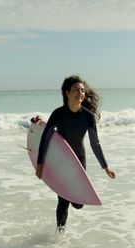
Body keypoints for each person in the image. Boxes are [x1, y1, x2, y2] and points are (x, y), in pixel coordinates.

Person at [35, 75, 116, 232]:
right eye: (76, 90)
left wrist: (105, 167)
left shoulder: (87, 116)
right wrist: (40, 165)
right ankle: (60, 234)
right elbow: (45, 139)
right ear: (67, 93)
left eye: (82, 90)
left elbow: (95, 143)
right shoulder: (58, 114)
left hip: (78, 160)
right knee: (63, 200)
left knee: (78, 204)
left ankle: (70, 205)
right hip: (61, 161)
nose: (80, 93)